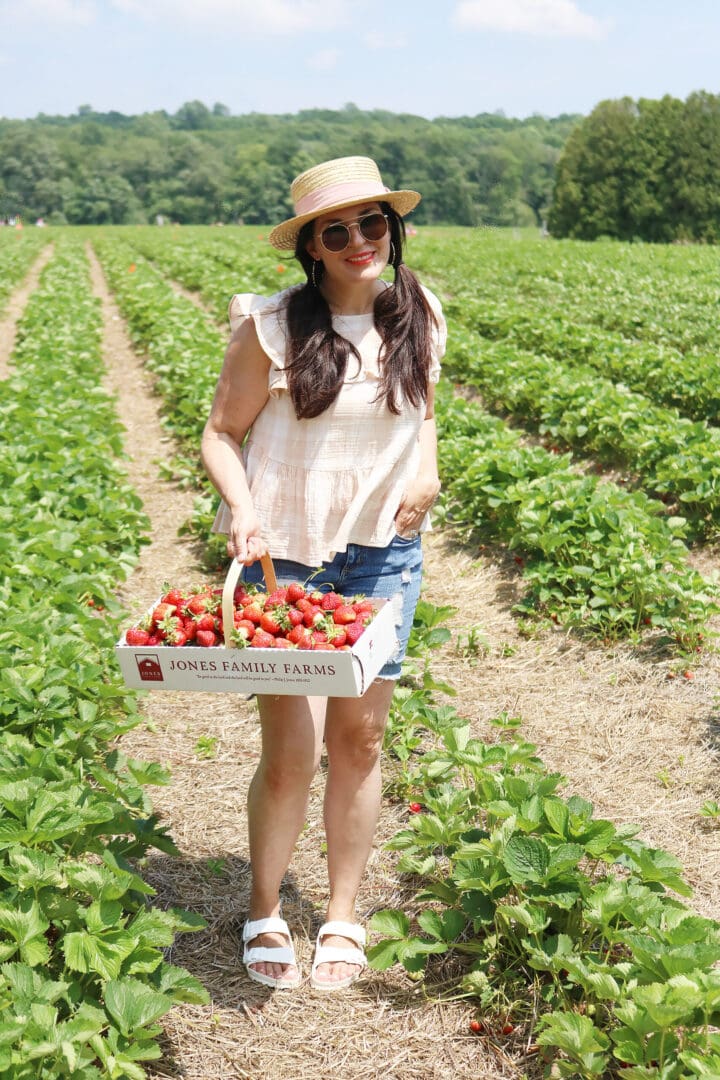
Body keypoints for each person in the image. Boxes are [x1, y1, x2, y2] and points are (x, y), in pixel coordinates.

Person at [201, 156, 446, 991]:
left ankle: (341, 914)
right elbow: (219, 434)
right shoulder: (271, 327)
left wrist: (427, 472)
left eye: (370, 224)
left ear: (392, 227)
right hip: (290, 558)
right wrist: (242, 508)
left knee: (361, 739)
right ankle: (265, 906)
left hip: (383, 556)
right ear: (309, 246)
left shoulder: (421, 313)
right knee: (292, 747)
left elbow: (422, 414)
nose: (356, 242)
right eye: (334, 231)